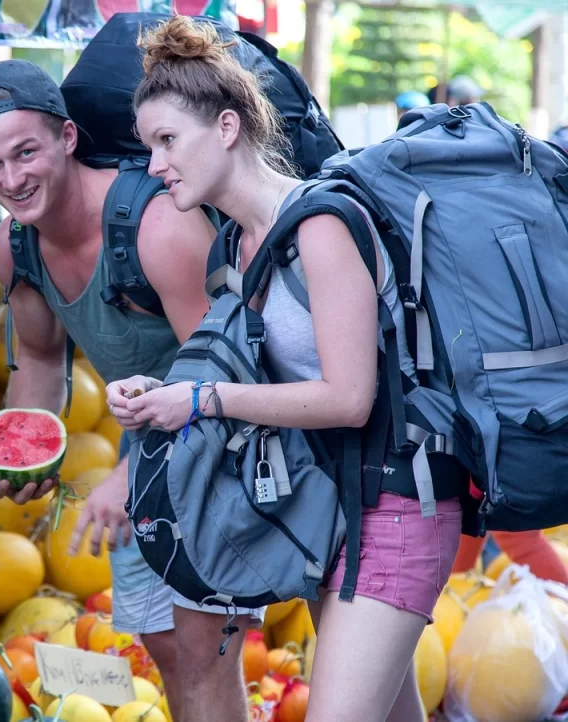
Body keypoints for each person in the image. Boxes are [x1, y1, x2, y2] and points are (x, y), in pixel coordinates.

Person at [106, 16, 464, 722]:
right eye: (149, 145)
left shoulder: (320, 227)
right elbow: (263, 377)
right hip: (331, 511)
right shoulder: (234, 247)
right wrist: (165, 393)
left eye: (167, 140)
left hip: (396, 502)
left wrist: (204, 401)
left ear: (228, 127)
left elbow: (349, 397)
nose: (154, 165)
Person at [0, 59, 262, 722]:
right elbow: (37, 356)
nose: (11, 180)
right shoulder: (16, 247)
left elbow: (223, 363)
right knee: (165, 645)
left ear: (67, 139)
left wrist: (131, 472)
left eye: (26, 152)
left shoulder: (157, 229)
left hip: (225, 438)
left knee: (204, 650)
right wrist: (24, 441)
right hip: (144, 444)